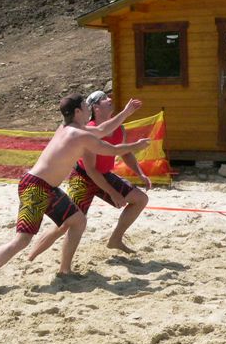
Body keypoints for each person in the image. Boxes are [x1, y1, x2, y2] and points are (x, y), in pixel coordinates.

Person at [0, 93, 150, 295]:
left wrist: (126, 112)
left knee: (78, 220)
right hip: (35, 187)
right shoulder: (78, 134)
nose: (89, 109)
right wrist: (136, 145)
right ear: (78, 111)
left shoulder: (69, 127)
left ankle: (65, 270)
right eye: (85, 106)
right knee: (22, 240)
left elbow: (102, 130)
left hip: (48, 188)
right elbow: (110, 150)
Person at [28, 90, 150, 260]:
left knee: (141, 199)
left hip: (103, 175)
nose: (109, 99)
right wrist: (113, 193)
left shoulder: (118, 129)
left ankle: (115, 239)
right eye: (104, 98)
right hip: (83, 177)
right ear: (95, 108)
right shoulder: (88, 131)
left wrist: (140, 173)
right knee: (67, 223)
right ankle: (32, 256)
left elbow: (125, 153)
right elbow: (91, 169)